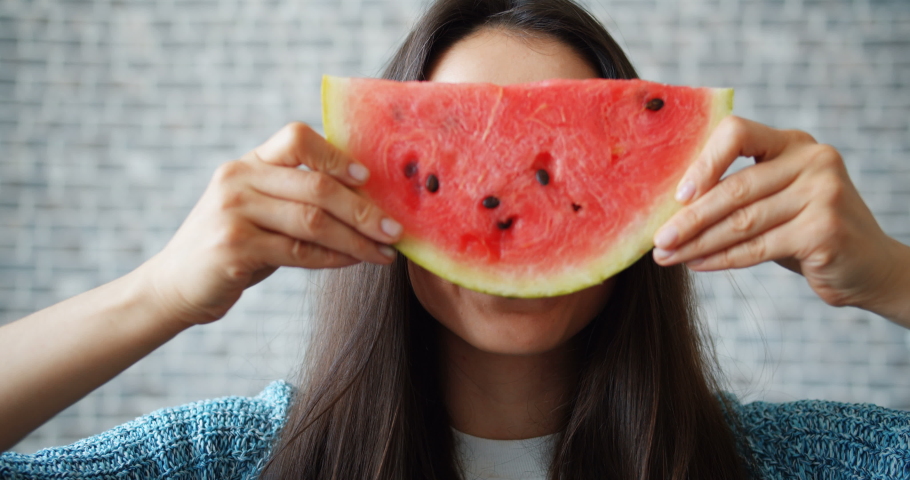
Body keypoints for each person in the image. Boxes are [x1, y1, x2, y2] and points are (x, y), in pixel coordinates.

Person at [2, 0, 909, 478]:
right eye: (457, 172)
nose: (509, 212)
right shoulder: (251, 458)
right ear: (377, 189)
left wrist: (892, 278)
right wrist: (156, 293)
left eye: (556, 171)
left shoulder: (785, 464)